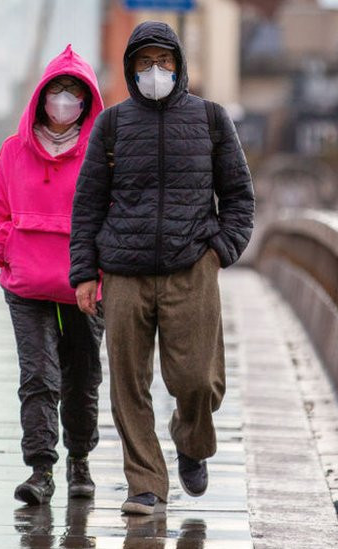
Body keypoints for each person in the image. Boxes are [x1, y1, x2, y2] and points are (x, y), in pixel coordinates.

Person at [69, 21, 255, 516]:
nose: (156, 71)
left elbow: (238, 197)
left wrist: (219, 251)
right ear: (132, 68)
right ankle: (146, 484)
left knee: (198, 380)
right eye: (146, 62)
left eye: (165, 61)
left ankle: (191, 442)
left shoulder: (212, 120)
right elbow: (88, 204)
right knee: (128, 382)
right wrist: (85, 272)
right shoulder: (111, 125)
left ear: (180, 65)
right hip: (124, 272)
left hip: (192, 266)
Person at [0, 45, 106, 506]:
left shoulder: (100, 155)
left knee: (83, 377)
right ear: (41, 97)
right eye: (57, 90)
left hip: (85, 287)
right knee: (38, 377)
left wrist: (99, 267)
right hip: (28, 287)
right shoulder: (14, 151)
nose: (65, 99)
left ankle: (79, 461)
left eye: (74, 92)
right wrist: (8, 249)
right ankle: (41, 469)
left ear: (88, 101)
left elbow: (113, 214)